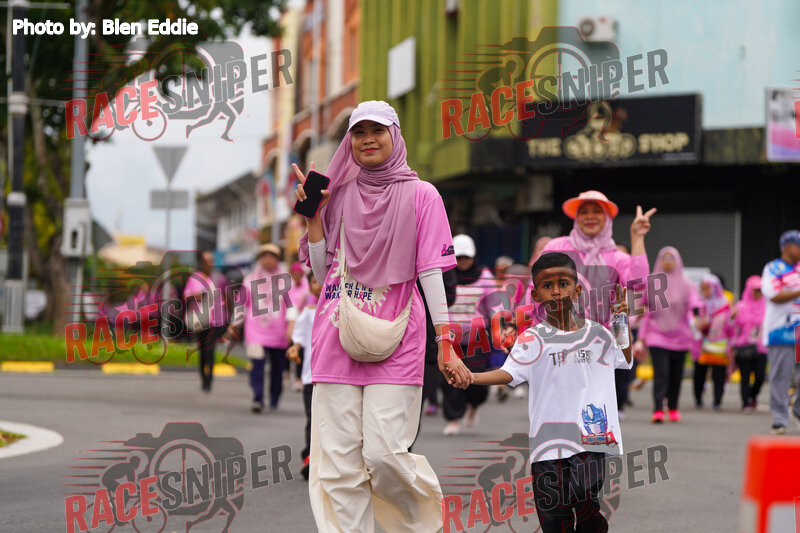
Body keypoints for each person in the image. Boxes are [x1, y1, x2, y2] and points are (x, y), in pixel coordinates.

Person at [294, 100, 471, 532]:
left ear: (395, 136)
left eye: (377, 131)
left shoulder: (423, 195)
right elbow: (322, 273)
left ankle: (418, 525)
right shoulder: (338, 193)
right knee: (338, 465)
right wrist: (314, 219)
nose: (367, 140)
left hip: (399, 336)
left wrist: (445, 342)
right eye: (358, 132)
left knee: (384, 454)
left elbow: (431, 272)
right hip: (337, 334)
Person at [462, 252, 632, 533]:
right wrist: (471, 377)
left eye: (564, 284)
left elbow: (624, 358)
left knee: (585, 498)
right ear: (536, 295)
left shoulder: (598, 335)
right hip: (548, 444)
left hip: (592, 439)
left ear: (577, 290)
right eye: (547, 285)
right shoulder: (532, 338)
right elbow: (509, 373)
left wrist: (622, 321)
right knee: (553, 519)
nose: (556, 291)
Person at [539, 190, 654, 326]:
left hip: (600, 335)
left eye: (597, 211)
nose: (590, 216)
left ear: (607, 218)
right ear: (576, 217)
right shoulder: (556, 247)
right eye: (584, 212)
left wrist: (637, 237)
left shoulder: (617, 258)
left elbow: (638, 283)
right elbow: (535, 287)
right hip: (556, 332)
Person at [634, 247, 703, 423]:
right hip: (657, 334)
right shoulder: (651, 282)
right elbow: (643, 306)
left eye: (671, 258)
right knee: (661, 373)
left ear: (677, 261)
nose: (667, 261)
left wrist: (696, 316)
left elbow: (694, 302)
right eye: (663, 258)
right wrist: (640, 335)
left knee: (675, 375)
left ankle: (673, 407)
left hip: (680, 336)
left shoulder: (686, 284)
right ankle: (658, 409)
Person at [442, 234, 495, 435]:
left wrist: (500, 323)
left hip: (476, 337)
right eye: (459, 257)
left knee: (477, 377)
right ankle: (453, 418)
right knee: (451, 378)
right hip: (450, 337)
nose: (463, 261)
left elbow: (494, 303)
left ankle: (474, 404)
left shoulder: (484, 276)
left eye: (466, 257)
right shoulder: (444, 276)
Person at [230, 243, 289, 413]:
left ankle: (275, 397)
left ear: (277, 259)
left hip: (279, 331)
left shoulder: (285, 279)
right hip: (255, 330)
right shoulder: (250, 280)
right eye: (265, 256)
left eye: (272, 256)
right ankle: (258, 398)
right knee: (257, 366)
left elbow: (291, 306)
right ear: (260, 259)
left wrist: (292, 326)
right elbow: (241, 303)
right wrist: (236, 323)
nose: (268, 259)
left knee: (277, 367)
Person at [760, 230, 800, 435]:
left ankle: (798, 410)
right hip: (781, 332)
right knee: (780, 377)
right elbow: (774, 295)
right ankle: (780, 419)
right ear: (788, 247)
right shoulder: (773, 268)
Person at [286, 272, 322, 480]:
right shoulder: (308, 312)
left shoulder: (340, 307)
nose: (319, 284)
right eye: (314, 281)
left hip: (334, 377)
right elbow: (298, 336)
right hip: (311, 376)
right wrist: (295, 347)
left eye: (322, 279)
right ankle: (309, 456)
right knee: (313, 418)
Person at [184, 251, 228, 392]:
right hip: (200, 319)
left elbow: (226, 297)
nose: (208, 264)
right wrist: (196, 295)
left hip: (216, 320)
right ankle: (203, 377)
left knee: (210, 349)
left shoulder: (220, 278)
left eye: (211, 261)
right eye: (205, 261)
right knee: (203, 350)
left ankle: (209, 380)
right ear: (201, 263)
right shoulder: (194, 278)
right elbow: (186, 297)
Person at [693, 274, 732, 411]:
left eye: (706, 288)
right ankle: (698, 399)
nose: (703, 290)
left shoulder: (725, 304)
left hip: (719, 345)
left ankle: (717, 401)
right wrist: (697, 324)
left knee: (719, 375)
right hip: (700, 345)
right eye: (702, 287)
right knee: (699, 373)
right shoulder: (698, 303)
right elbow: (690, 320)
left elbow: (730, 325)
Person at [729, 275, 767, 413]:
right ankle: (745, 402)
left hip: (761, 346)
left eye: (760, 290)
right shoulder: (741, 306)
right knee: (745, 376)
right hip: (744, 345)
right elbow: (732, 327)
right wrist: (732, 318)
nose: (758, 293)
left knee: (760, 376)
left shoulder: (767, 306)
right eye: (755, 290)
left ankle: (753, 395)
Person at [287, 261, 310, 391]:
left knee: (303, 351)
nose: (296, 276)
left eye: (298, 274)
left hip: (305, 323)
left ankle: (300, 377)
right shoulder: (289, 287)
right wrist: (290, 326)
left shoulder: (307, 286)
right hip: (292, 322)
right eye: (294, 274)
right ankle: (293, 375)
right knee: (294, 348)